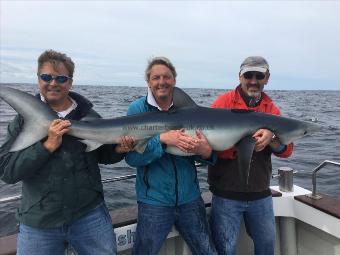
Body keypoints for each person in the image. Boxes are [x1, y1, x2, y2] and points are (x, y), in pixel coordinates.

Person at [0, 49, 134, 255]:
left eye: (61, 78)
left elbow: (104, 156)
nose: (53, 83)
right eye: (46, 77)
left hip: (89, 215)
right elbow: (8, 172)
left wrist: (119, 149)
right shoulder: (22, 122)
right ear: (38, 80)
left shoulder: (88, 116)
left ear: (70, 82)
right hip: (39, 220)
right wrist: (47, 146)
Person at [125, 57, 217, 255]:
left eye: (166, 77)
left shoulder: (190, 110)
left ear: (174, 79)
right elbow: (132, 159)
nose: (161, 82)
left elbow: (206, 153)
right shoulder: (137, 110)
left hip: (190, 199)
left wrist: (206, 152)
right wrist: (163, 140)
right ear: (148, 82)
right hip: (154, 202)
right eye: (155, 77)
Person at [208, 56, 294, 255]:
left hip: (260, 194)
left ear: (267, 77)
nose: (253, 81)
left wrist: (272, 138)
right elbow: (208, 146)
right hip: (225, 194)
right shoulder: (223, 103)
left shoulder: (271, 109)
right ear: (240, 76)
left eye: (259, 75)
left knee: (266, 248)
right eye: (248, 75)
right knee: (224, 249)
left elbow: (287, 150)